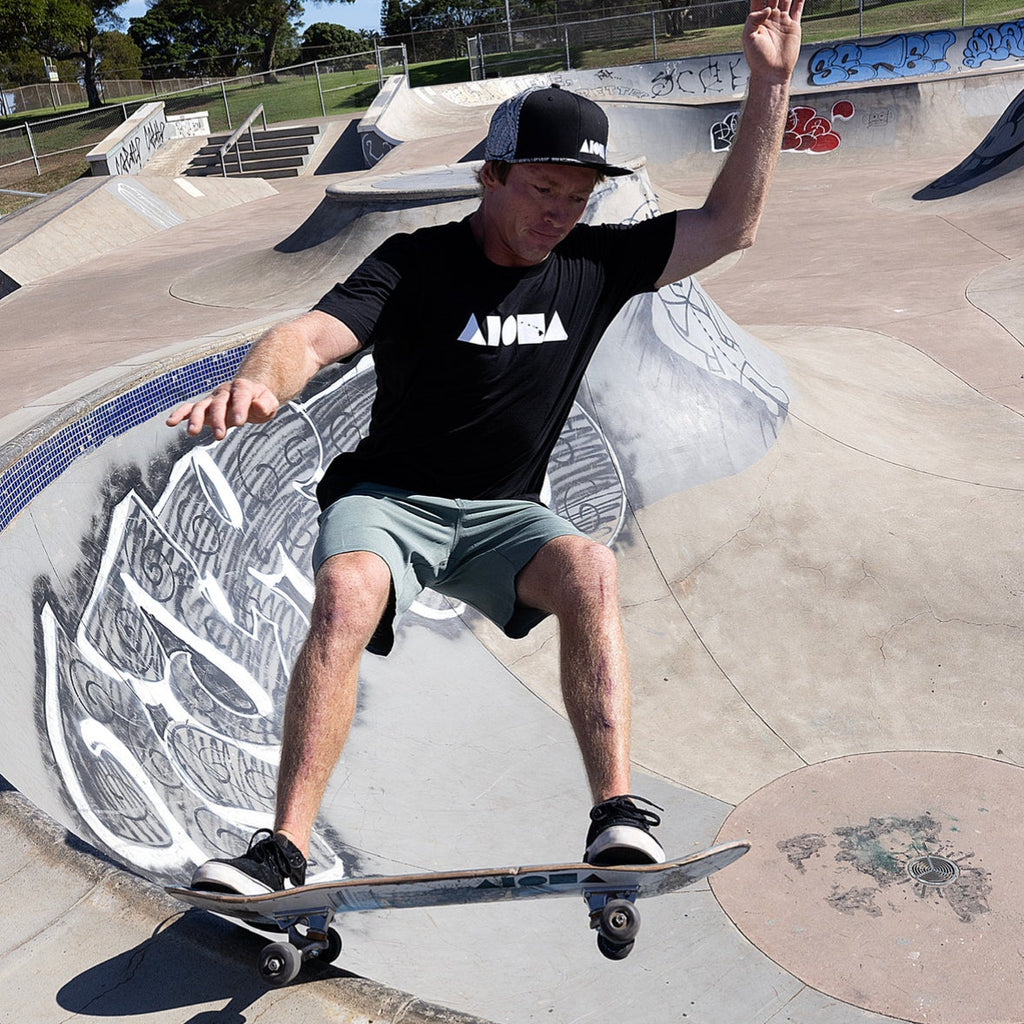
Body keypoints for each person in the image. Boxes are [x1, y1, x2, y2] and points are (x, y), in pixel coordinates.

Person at [168, 0, 803, 895]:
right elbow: (308, 334)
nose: (559, 216)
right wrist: (264, 378)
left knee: (589, 567)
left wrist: (769, 85)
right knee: (348, 591)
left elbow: (729, 225)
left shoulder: (596, 263)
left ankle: (615, 814)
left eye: (578, 199)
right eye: (543, 192)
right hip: (388, 499)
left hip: (505, 512)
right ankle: (281, 850)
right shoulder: (413, 264)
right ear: (490, 176)